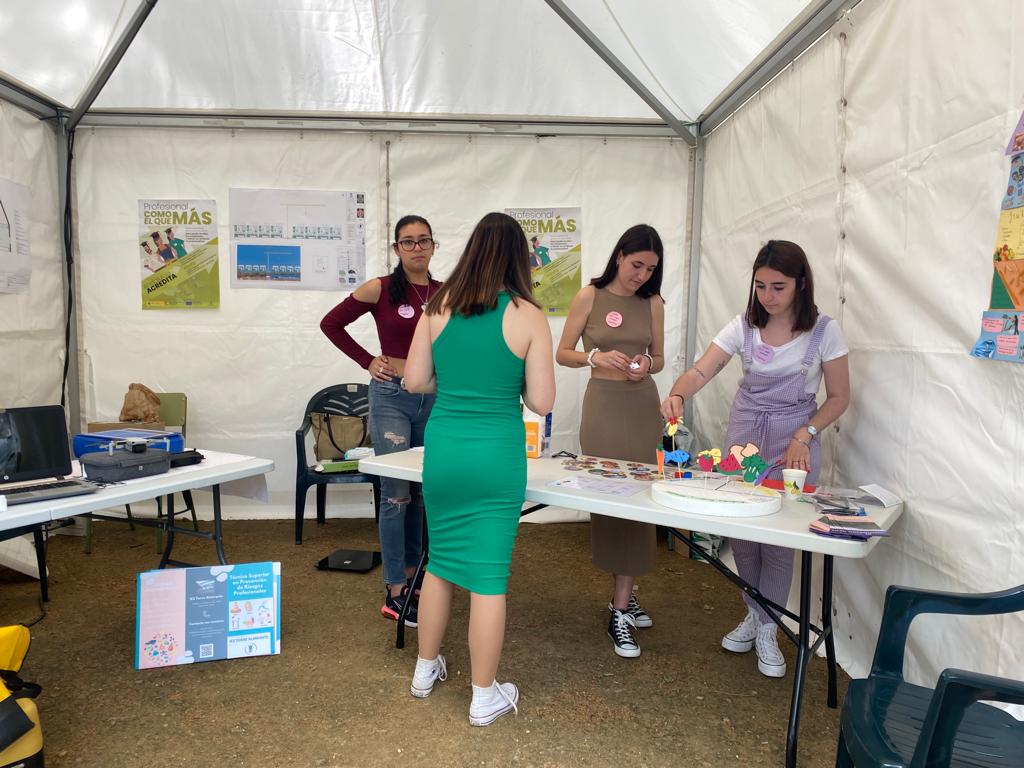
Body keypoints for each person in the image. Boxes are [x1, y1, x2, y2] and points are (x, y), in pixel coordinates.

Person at [660, 240, 850, 678]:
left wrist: (806, 433)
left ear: (800, 285)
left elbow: (839, 397)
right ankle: (755, 612)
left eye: (778, 286)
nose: (768, 295)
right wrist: (677, 393)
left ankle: (768, 628)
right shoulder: (743, 327)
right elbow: (701, 370)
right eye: (761, 285)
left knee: (779, 539)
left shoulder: (825, 331)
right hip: (745, 438)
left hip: (795, 442)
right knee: (742, 533)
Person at [403, 212, 555, 726]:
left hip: (444, 450)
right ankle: (483, 696)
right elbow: (541, 399)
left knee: (442, 563)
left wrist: (455, 382)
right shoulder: (528, 314)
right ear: (519, 257)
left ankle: (425, 671)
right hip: (495, 455)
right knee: (488, 578)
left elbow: (414, 380)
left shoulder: (436, 306)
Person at [320, 215, 442, 627]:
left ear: (433, 246)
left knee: (424, 493)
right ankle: (395, 589)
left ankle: (417, 577)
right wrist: (367, 361)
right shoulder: (381, 288)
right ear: (396, 249)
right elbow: (331, 324)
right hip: (391, 399)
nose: (416, 248)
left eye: (423, 241)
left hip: (432, 399)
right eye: (407, 242)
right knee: (395, 494)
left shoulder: (447, 294)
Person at [555, 224, 665, 659]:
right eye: (637, 264)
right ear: (620, 255)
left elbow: (658, 357)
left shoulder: (652, 302)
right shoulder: (589, 296)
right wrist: (594, 356)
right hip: (602, 404)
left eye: (651, 268)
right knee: (609, 496)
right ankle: (625, 589)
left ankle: (622, 604)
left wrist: (645, 363)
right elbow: (562, 352)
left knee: (641, 497)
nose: (642, 274)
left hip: (641, 406)